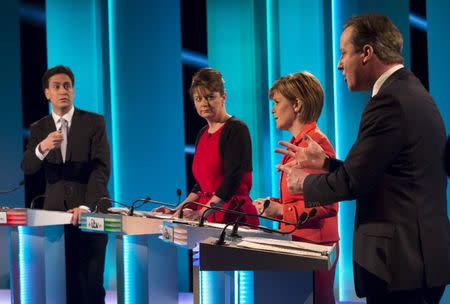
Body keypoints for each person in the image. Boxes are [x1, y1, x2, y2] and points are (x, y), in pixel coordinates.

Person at [277, 14, 450, 303]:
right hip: (418, 262)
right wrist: (326, 165)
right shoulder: (412, 92)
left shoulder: (389, 101)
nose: (339, 64)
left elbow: (353, 182)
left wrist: (304, 184)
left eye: (344, 53)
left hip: (400, 266)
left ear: (367, 52)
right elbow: (382, 175)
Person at [21, 65, 110, 304]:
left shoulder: (94, 122)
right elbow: (28, 166)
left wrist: (88, 206)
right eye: (57, 87)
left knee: (91, 283)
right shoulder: (40, 128)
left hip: (90, 212)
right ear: (47, 93)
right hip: (54, 217)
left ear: (73, 90)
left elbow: (100, 169)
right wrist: (43, 147)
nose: (63, 91)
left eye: (67, 86)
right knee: (61, 283)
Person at [253, 72, 339, 304]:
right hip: (299, 244)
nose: (272, 109)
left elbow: (327, 204)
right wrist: (272, 205)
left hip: (315, 247)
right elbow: (299, 198)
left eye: (277, 102)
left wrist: (281, 212)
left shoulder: (316, 144)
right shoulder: (298, 143)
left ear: (297, 104)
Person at [155, 68, 259, 225]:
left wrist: (201, 213)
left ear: (223, 97)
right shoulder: (203, 133)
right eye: (198, 99)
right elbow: (200, 186)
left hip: (232, 216)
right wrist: (177, 210)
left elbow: (232, 180)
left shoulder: (236, 129)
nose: (204, 103)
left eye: (210, 97)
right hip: (206, 216)